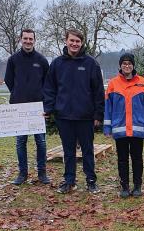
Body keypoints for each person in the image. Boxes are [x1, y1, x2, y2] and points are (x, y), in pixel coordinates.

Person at [43, 28, 105, 194]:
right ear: (66, 41)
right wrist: (49, 108)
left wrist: (98, 114)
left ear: (82, 43)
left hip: (85, 116)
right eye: (72, 40)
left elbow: (99, 91)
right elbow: (49, 88)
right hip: (64, 116)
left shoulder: (91, 64)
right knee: (68, 151)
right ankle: (69, 181)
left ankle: (91, 180)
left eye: (78, 41)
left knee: (87, 151)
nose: (74, 44)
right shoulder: (57, 64)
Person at [103, 53, 144, 198]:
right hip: (120, 129)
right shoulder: (113, 84)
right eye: (124, 63)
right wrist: (107, 126)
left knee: (137, 158)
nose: (127, 66)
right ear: (120, 66)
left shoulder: (142, 82)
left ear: (133, 65)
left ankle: (137, 186)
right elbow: (108, 107)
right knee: (122, 159)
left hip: (137, 128)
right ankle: (125, 186)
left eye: (129, 63)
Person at [4, 28, 50, 186]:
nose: (28, 41)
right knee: (20, 142)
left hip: (38, 109)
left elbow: (48, 83)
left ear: (34, 40)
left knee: (41, 142)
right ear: (20, 39)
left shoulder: (42, 60)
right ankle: (22, 173)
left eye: (31, 39)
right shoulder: (13, 60)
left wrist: (44, 102)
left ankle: (42, 172)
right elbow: (9, 80)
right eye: (25, 38)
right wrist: (17, 94)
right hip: (19, 108)